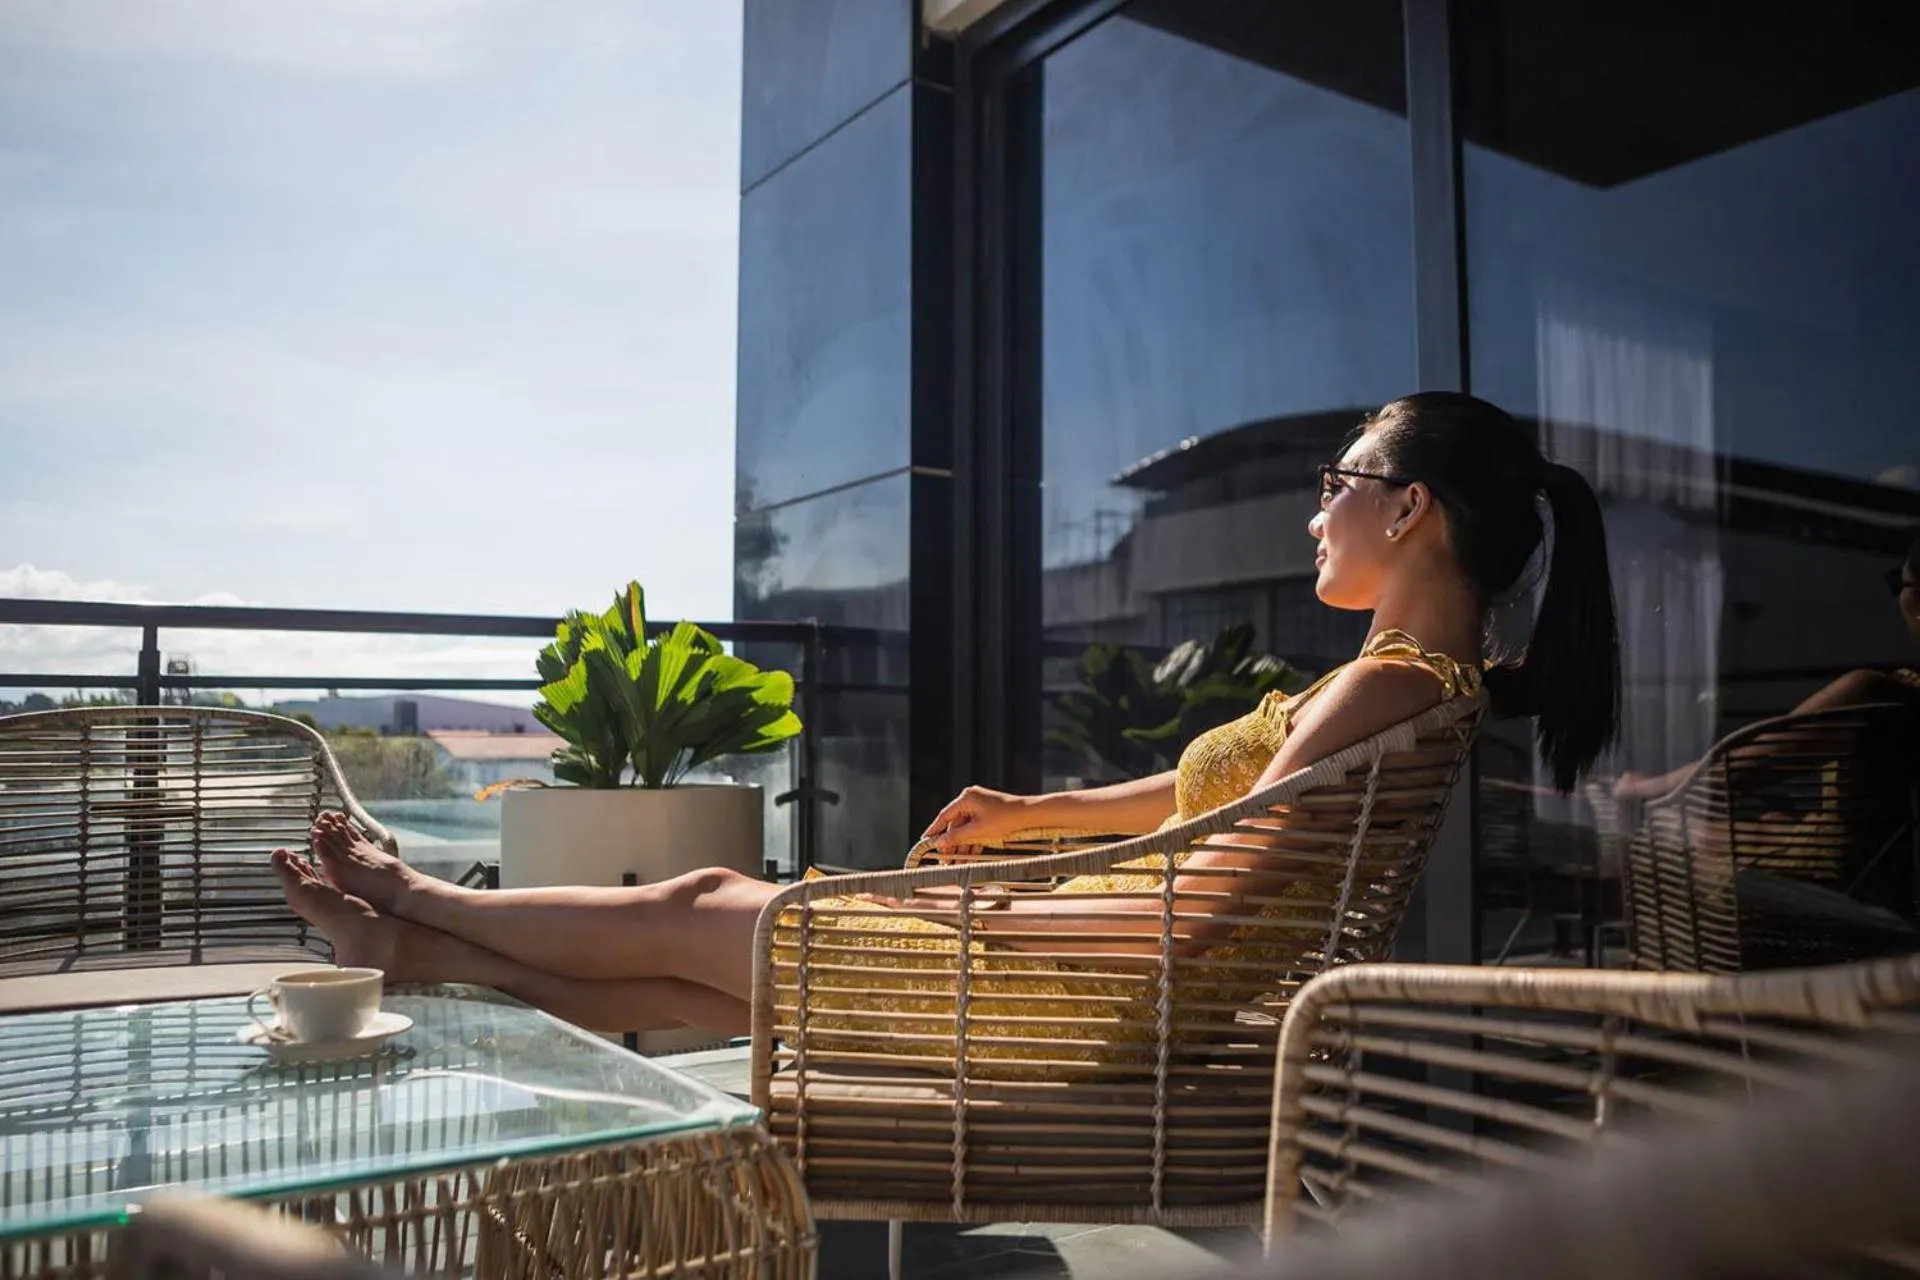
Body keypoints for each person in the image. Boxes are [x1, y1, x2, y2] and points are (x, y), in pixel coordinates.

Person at [272, 392, 1622, 1041]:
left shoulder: (1388, 685)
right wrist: (1039, 818)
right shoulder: (1387, 685)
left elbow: (1208, 911)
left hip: (1106, 1009)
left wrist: (995, 910)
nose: (1315, 506)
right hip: (1118, 982)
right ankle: (413, 953)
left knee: (698, 902)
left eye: (1340, 481)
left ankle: (427, 903)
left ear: (1411, 508)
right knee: (694, 973)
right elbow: (1197, 806)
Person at [1612, 532, 1920, 803]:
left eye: (1898, 583)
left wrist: (1646, 787)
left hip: (1842, 866)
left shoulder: (1873, 692)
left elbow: (1746, 768)